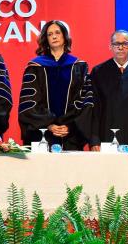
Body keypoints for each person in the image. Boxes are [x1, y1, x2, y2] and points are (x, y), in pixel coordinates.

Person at [18, 20, 94, 150]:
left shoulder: (79, 66)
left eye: (57, 33)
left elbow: (85, 100)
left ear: (65, 37)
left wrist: (70, 125)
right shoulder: (35, 66)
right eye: (49, 34)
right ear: (46, 40)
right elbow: (28, 102)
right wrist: (49, 124)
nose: (54, 36)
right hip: (42, 134)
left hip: (70, 134)